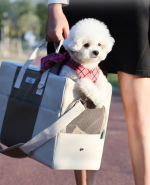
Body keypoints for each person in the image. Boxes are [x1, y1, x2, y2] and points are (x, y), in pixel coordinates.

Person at [46, 0, 150, 185]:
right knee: (84, 116)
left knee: (141, 118)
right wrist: (54, 5)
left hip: (133, 9)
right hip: (84, 6)